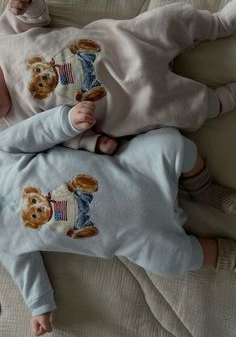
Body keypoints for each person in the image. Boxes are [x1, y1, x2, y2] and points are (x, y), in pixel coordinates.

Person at [0, 103, 236, 336]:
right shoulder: (4, 239)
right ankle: (227, 257)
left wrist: (67, 120)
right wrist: (39, 306)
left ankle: (204, 189)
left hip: (134, 169)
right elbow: (24, 271)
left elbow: (36, 131)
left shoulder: (3, 153)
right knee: (173, 259)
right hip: (135, 237)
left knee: (173, 144)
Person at [1, 0, 236, 155]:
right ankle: (224, 99)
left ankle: (219, 24)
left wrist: (27, 3)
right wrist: (92, 142)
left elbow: (36, 18)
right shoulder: (17, 125)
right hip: (129, 101)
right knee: (182, 109)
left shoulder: (4, 41)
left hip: (125, 44)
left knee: (166, 21)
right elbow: (57, 135)